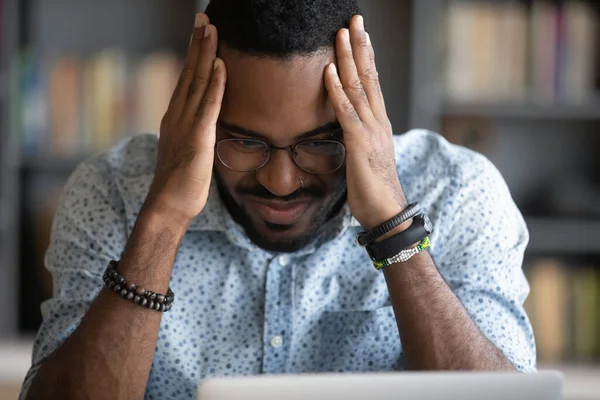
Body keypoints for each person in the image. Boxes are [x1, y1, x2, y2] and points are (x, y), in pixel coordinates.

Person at [21, 0, 536, 399]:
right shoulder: (112, 193)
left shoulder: (457, 191)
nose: (282, 182)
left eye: (319, 143)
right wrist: (162, 221)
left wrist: (392, 226)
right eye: (245, 142)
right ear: (193, 114)